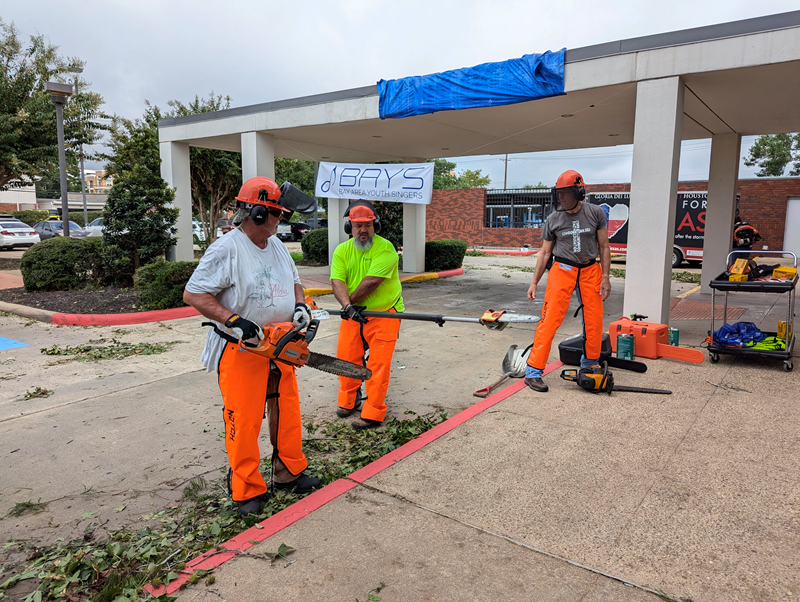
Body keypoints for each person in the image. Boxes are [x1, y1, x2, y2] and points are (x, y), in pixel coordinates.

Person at [183, 176, 320, 516]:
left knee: (286, 411)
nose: (280, 220)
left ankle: (288, 471)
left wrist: (300, 305)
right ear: (258, 213)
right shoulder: (226, 249)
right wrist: (233, 320)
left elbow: (295, 282)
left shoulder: (275, 245)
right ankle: (244, 486)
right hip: (241, 348)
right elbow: (194, 294)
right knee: (243, 420)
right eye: (276, 214)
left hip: (280, 344)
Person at [525, 170, 611, 392]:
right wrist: (534, 282)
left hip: (590, 270)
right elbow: (545, 254)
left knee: (594, 320)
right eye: (558, 193)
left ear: (579, 192)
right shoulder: (553, 219)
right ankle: (533, 371)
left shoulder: (595, 214)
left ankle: (590, 364)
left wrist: (606, 278)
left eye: (565, 193)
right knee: (549, 319)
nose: (560, 198)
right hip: (562, 270)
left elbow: (604, 247)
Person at [330, 201, 404, 429]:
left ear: (375, 226)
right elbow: (337, 280)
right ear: (349, 227)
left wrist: (349, 304)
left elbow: (372, 281)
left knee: (378, 364)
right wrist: (347, 306)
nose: (363, 230)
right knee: (346, 358)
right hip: (353, 313)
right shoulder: (342, 250)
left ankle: (373, 411)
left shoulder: (386, 248)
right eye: (357, 225)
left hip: (385, 314)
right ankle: (349, 401)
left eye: (368, 225)